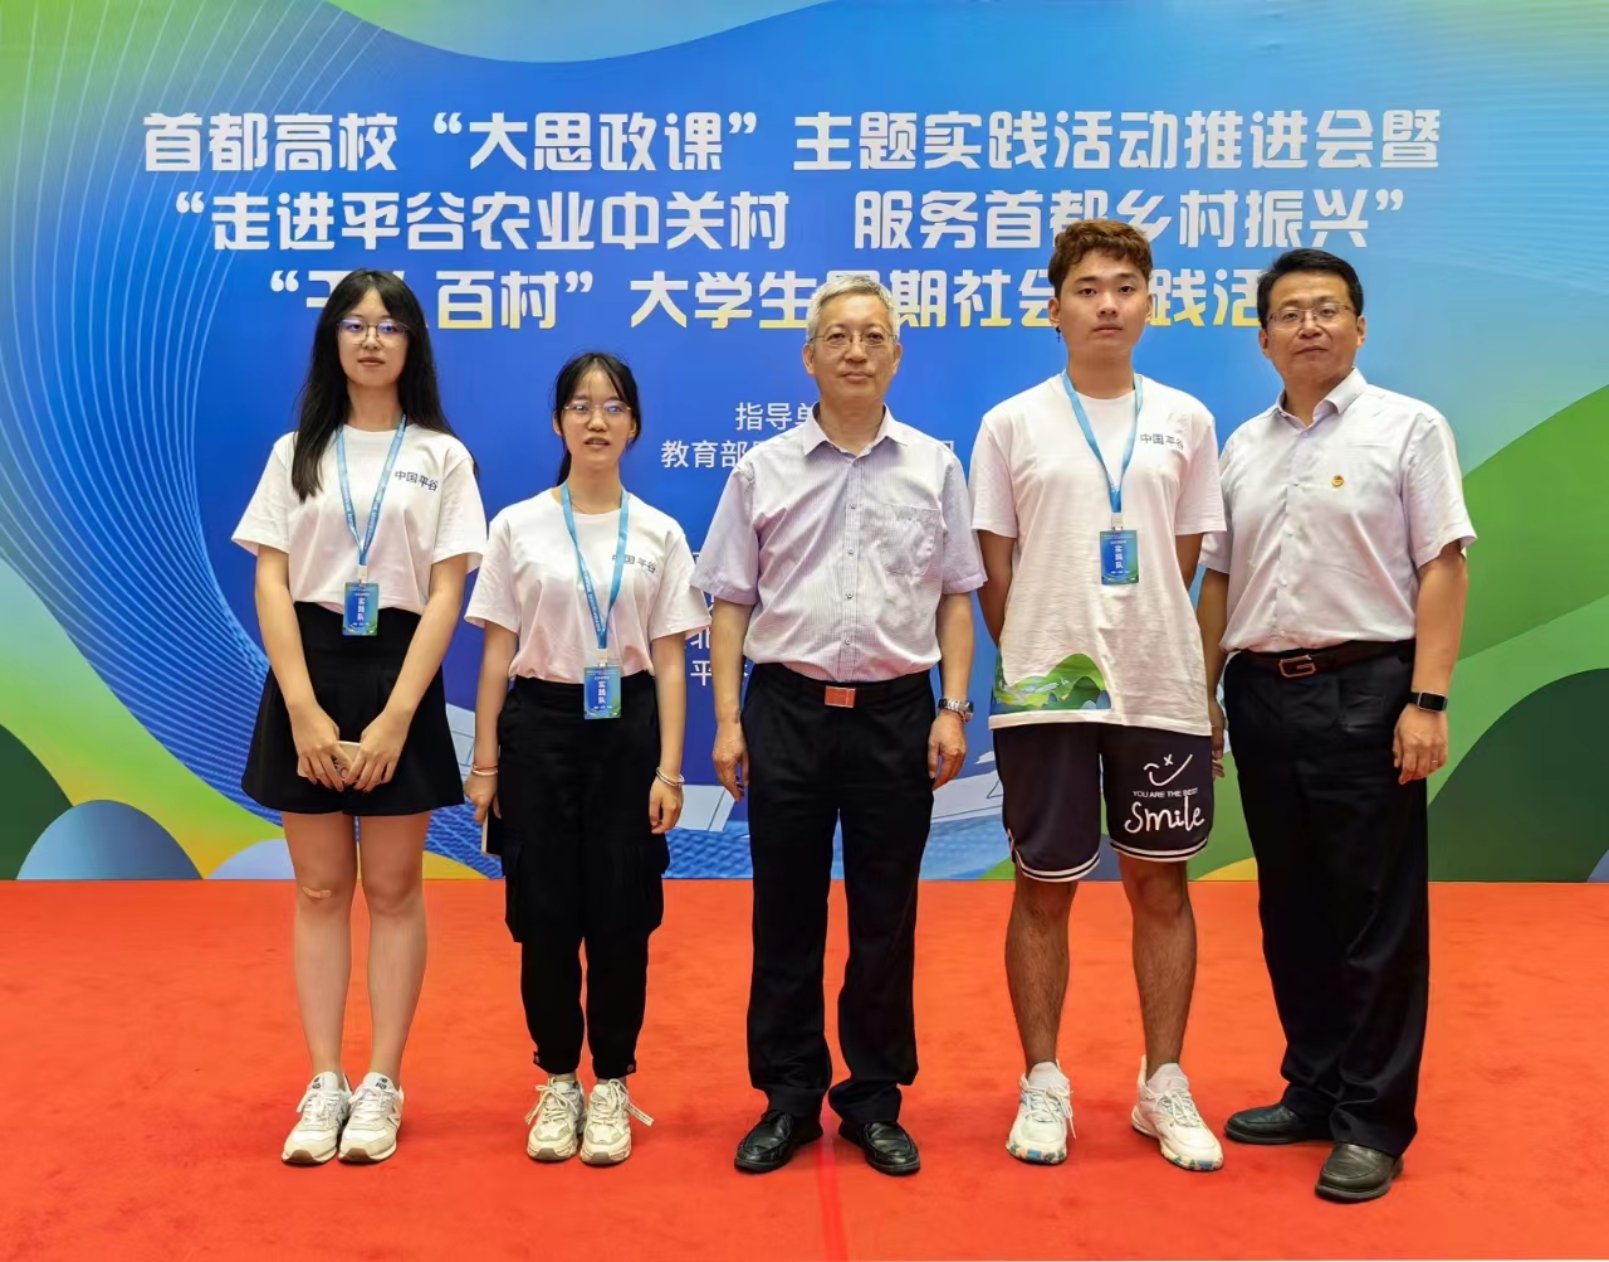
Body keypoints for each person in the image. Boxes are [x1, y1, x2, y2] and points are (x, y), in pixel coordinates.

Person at [1198, 248, 1474, 1202]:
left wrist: (1425, 700)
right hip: (1260, 694)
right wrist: (1202, 695)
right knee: (1291, 909)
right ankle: (1312, 1089)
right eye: (1288, 312)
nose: (1307, 325)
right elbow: (1219, 582)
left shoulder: (1407, 427)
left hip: (1367, 691)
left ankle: (1372, 1121)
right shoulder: (1242, 446)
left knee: (1373, 916)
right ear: (1262, 339)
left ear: (1358, 326)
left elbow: (1443, 565)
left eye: (1326, 309)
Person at [695, 275, 984, 1177]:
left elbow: (956, 598)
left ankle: (872, 1099)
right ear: (809, 357)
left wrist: (952, 707)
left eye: (872, 336)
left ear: (896, 355)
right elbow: (730, 603)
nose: (855, 351)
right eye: (837, 336)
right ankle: (787, 1096)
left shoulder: (934, 466)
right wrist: (728, 722)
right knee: (784, 911)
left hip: (897, 715)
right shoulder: (763, 469)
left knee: (883, 916)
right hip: (785, 710)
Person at [970, 219, 1227, 1173]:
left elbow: (1186, 558)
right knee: (1043, 887)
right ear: (1055, 309)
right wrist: (1043, 648)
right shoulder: (1010, 423)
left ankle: (1163, 1083)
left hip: (1158, 689)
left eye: (1124, 286)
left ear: (1150, 302)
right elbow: (994, 567)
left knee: (1161, 885)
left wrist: (1141, 636)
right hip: (1046, 692)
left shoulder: (1186, 421)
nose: (1107, 304)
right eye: (1086, 288)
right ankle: (1043, 1082)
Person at [234, 269, 487, 1164]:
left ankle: (381, 1080)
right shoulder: (294, 452)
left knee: (392, 889)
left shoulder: (442, 456)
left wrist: (396, 717)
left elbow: (449, 591)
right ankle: (324, 1080)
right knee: (317, 889)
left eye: (389, 325)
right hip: (306, 667)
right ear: (331, 341)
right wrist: (301, 707)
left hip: (399, 671)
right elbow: (270, 578)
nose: (371, 339)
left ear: (413, 344)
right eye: (354, 324)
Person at [464, 351, 708, 1166]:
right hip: (538, 731)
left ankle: (611, 1083)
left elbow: (669, 661)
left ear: (633, 425)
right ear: (557, 422)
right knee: (542, 918)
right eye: (579, 405)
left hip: (627, 733)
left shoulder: (660, 533)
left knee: (621, 917)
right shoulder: (517, 526)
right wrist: (485, 763)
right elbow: (495, 655)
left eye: (612, 407)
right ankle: (559, 1078)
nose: (595, 420)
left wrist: (670, 769)